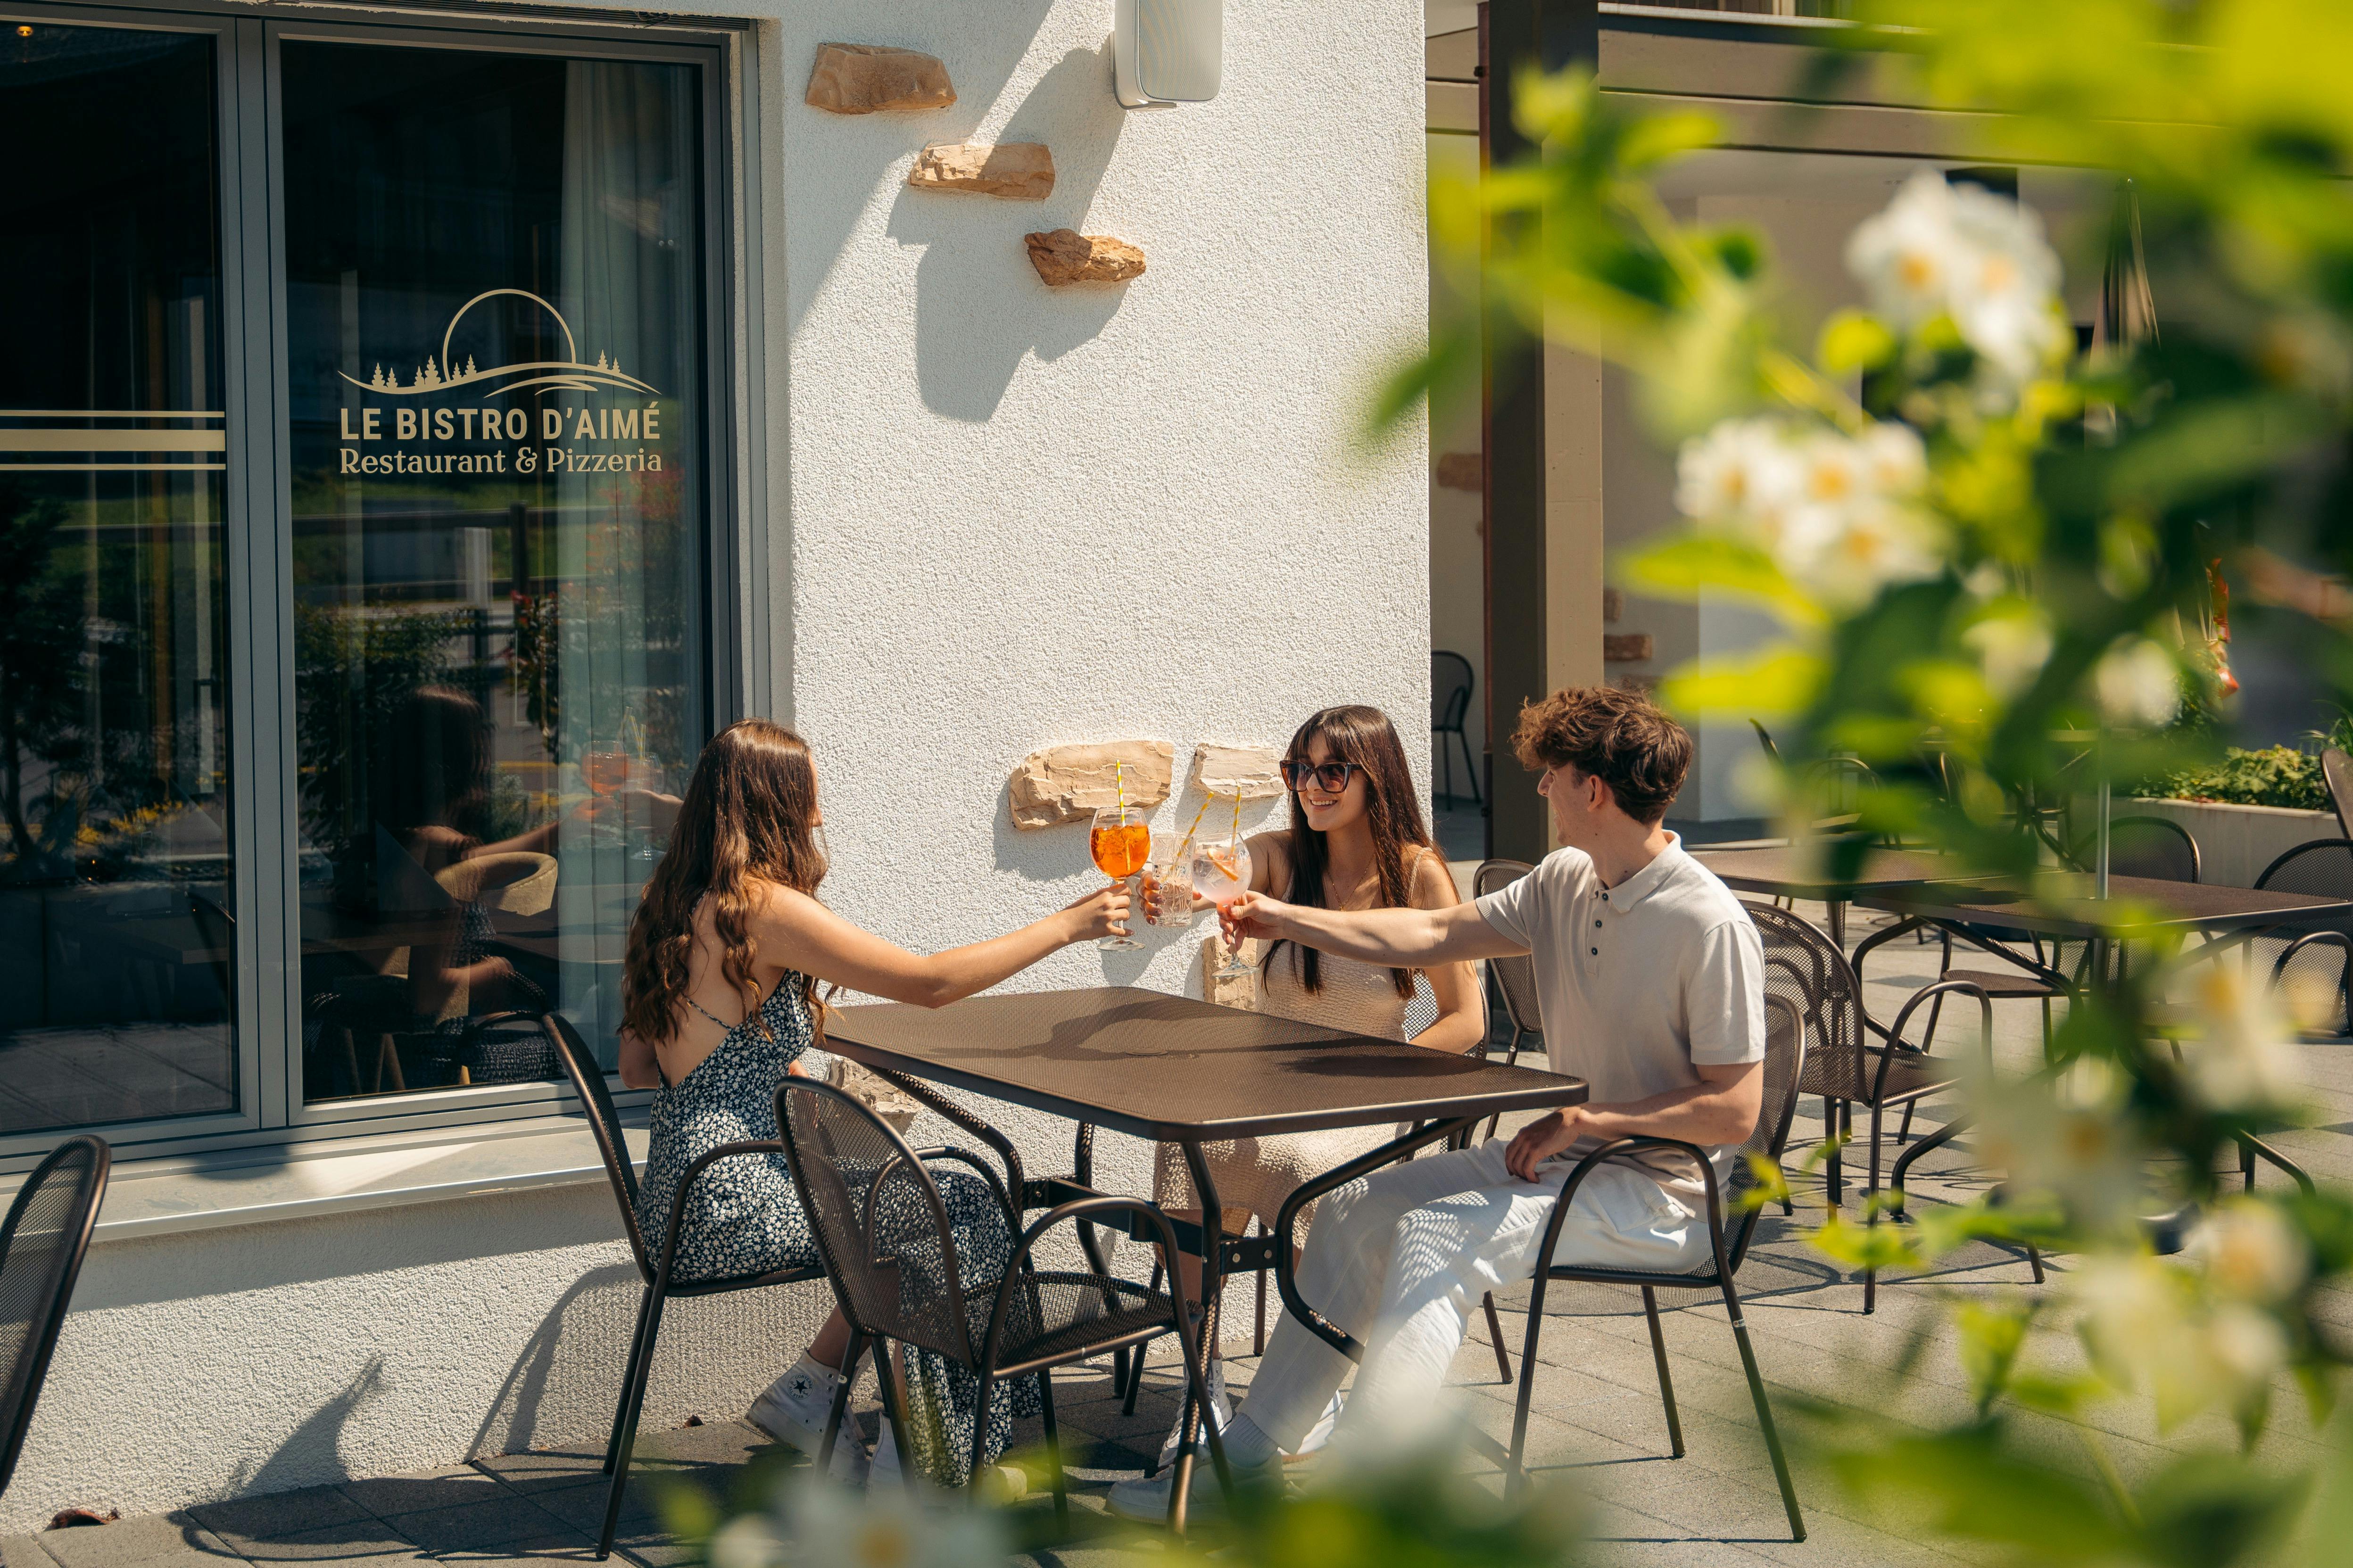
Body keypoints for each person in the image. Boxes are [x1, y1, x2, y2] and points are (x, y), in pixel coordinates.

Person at [1109, 686, 1766, 1519]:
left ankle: (1368, 1494)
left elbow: (1732, 1111)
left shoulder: (1706, 922)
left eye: (1552, 774)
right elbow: (1428, 935)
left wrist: (1592, 1119)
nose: (1541, 788)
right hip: (1562, 1158)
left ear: (1593, 790)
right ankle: (1243, 1464)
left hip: (1660, 1192)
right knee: (1350, 1205)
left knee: (1432, 1235)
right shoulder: (1565, 879)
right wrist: (1284, 917)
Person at [617, 719, 1129, 1486]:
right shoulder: (763, 907)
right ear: (776, 801)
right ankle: (924, 1460)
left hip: (682, 1197)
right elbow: (929, 983)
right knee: (954, 1205)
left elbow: (637, 1068)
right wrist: (1067, 924)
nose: (820, 810)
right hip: (736, 1198)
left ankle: (816, 1391)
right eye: (810, 792)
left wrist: (757, 1066)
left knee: (919, 1204)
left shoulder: (672, 901)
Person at [1143, 705, 1483, 1461]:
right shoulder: (1280, 855)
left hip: (1370, 1094)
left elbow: (1466, 1020)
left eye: (1332, 770)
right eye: (1298, 769)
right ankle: (1202, 1383)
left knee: (1307, 1166)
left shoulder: (1417, 873)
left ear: (1376, 775)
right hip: (1277, 1084)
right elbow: (1212, 877)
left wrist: (1374, 1079)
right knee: (1190, 1145)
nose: (1311, 786)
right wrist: (1181, 890)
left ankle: (1308, 1384)